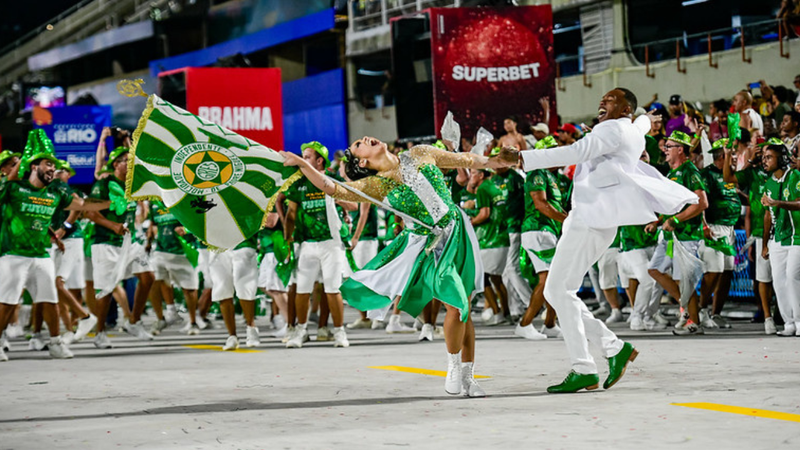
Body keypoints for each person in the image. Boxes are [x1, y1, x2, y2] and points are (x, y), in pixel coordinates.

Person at [282, 137, 517, 397]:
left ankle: (468, 377)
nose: (366, 139)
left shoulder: (420, 153)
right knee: (457, 303)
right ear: (362, 161)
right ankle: (452, 365)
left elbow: (468, 159)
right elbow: (332, 187)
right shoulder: (375, 184)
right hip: (427, 246)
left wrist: (497, 160)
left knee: (465, 310)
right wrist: (303, 164)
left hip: (458, 234)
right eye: (359, 143)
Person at [518, 88, 697, 393]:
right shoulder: (630, 128)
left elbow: (574, 152)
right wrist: (645, 118)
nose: (602, 101)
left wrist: (522, 157)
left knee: (558, 291)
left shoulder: (612, 130)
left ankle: (590, 363)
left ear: (624, 108)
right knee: (559, 291)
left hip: (589, 218)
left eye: (610, 100)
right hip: (599, 220)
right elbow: (640, 123)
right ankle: (606, 352)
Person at [0, 130, 111, 362]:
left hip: (42, 255)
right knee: (8, 302)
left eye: (54, 166)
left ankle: (55, 342)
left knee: (50, 299)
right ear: (33, 166)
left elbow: (82, 204)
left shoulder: (55, 192)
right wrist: (12, 172)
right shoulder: (13, 188)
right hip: (13, 255)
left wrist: (112, 201)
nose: (52, 169)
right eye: (48, 164)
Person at [283, 141, 355, 349]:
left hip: (331, 244)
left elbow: (352, 204)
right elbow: (291, 214)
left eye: (306, 157)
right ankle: (301, 331)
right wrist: (288, 240)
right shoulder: (298, 183)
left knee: (333, 289)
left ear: (319, 160)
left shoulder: (332, 179)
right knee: (302, 290)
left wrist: (336, 197)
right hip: (306, 244)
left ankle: (340, 332)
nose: (302, 160)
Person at [87, 147, 155, 348]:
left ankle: (134, 321)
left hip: (129, 242)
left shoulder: (133, 186)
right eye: (126, 160)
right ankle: (100, 333)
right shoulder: (104, 184)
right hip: (106, 243)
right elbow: (90, 213)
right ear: (116, 164)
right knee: (106, 290)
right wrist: (113, 225)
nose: (130, 163)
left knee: (148, 276)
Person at [646, 131, 709, 336]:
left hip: (687, 235)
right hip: (671, 234)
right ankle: (686, 310)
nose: (664, 150)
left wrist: (675, 220)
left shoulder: (690, 171)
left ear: (680, 149)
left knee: (685, 280)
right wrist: (658, 221)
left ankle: (692, 321)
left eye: (669, 146)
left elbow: (701, 203)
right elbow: (674, 206)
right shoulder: (672, 174)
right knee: (654, 269)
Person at [724, 134, 775, 334]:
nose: (763, 157)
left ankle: (784, 314)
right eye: (760, 153)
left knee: (783, 278)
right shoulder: (752, 173)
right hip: (759, 233)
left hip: (782, 232)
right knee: (762, 278)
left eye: (766, 153)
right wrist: (730, 157)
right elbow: (729, 178)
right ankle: (767, 316)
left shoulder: (782, 173)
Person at [516, 136, 564, 341]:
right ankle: (524, 324)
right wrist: (567, 220)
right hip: (537, 230)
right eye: (553, 150)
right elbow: (540, 204)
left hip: (548, 231)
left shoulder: (553, 176)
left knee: (555, 280)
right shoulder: (536, 173)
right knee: (546, 280)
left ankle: (550, 324)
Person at [698, 139, 742, 330]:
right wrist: (704, 226)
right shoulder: (707, 174)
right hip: (714, 228)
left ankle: (716, 313)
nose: (735, 158)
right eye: (732, 154)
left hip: (730, 229)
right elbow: (699, 202)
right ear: (722, 156)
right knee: (713, 272)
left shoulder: (731, 176)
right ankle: (701, 310)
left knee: (726, 272)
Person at [761, 140, 800, 336]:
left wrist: (778, 202)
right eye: (763, 158)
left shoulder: (795, 176)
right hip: (777, 239)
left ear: (782, 159)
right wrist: (764, 244)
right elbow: (767, 214)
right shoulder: (767, 183)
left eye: (769, 157)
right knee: (779, 281)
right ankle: (789, 323)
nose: (764, 161)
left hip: (796, 238)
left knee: (793, 278)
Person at [147, 200, 201, 335]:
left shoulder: (181, 198)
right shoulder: (154, 203)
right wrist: (149, 240)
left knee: (189, 289)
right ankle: (163, 317)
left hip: (183, 251)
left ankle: (193, 321)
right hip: (160, 249)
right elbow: (153, 223)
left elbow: (198, 219)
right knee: (154, 281)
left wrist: (186, 229)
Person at [469, 168, 511, 326]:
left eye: (473, 173)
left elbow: (484, 214)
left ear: (481, 175)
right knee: (496, 279)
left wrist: (470, 222)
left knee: (482, 278)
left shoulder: (483, 189)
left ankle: (497, 312)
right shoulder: (495, 187)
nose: (471, 176)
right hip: (501, 238)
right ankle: (506, 313)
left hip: (489, 239)